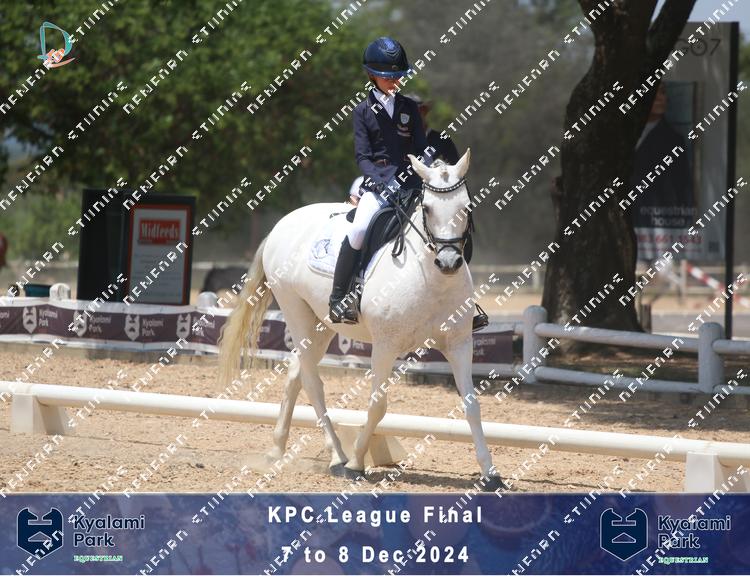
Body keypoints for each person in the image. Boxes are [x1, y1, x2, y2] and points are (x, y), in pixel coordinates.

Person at [328, 37, 434, 324]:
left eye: (398, 77)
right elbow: (363, 157)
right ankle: (338, 298)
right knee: (359, 229)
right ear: (372, 75)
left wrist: (428, 165)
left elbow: (421, 147)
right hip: (379, 185)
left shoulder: (409, 108)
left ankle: (461, 301)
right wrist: (379, 181)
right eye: (388, 77)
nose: (394, 82)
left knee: (445, 219)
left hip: (412, 183)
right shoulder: (362, 111)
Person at [406, 93, 459, 165]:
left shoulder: (442, 140)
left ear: (424, 112)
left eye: (416, 112)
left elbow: (455, 168)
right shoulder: (396, 142)